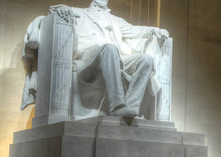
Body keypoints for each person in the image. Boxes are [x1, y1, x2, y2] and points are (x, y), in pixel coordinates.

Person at [24, 0, 169, 118]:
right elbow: (55, 10)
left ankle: (131, 106)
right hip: (88, 58)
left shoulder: (116, 20)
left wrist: (154, 30)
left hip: (113, 58)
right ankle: (117, 105)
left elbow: (135, 30)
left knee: (147, 59)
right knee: (109, 48)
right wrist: (61, 10)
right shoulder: (80, 12)